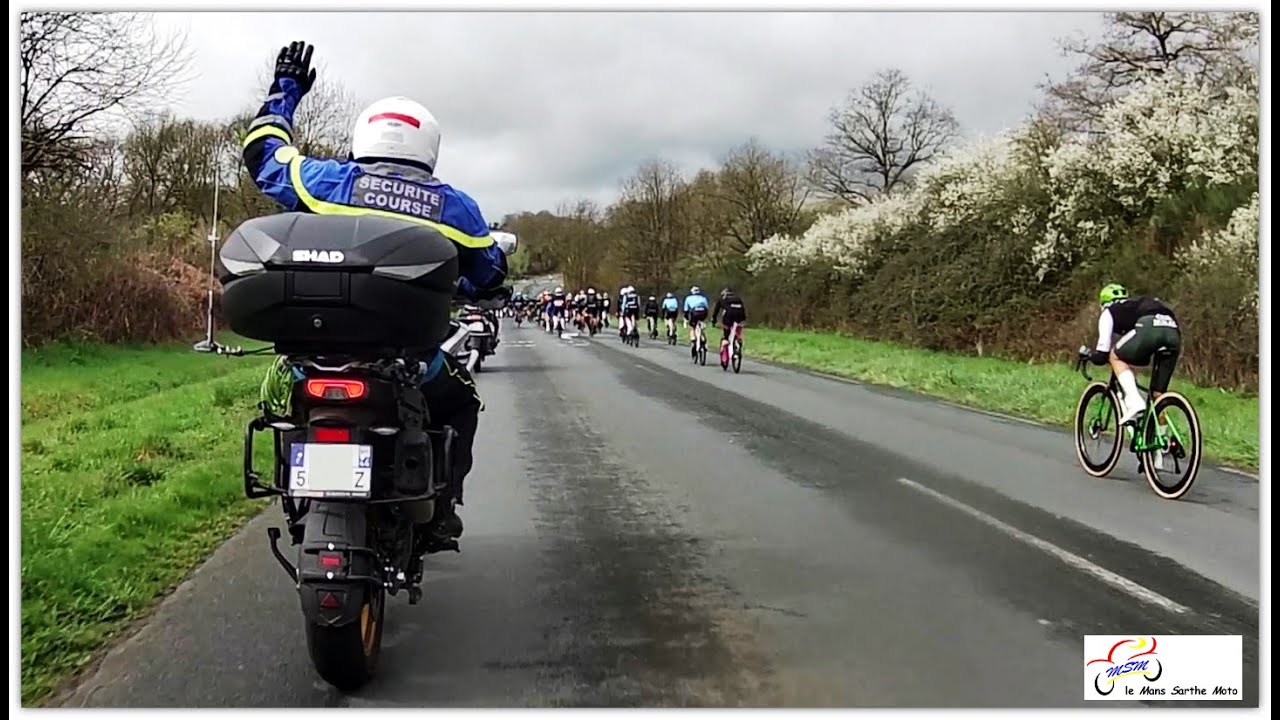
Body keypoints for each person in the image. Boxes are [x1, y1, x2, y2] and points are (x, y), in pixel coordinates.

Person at [243, 42, 509, 550]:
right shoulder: (456, 209)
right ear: (428, 147)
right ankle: (441, 512)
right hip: (409, 363)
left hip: (314, 358)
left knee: (278, 401)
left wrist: (286, 88)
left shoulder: (324, 181)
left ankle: (295, 490)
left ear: (363, 138)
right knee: (461, 406)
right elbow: (490, 274)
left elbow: (263, 155)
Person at [1084, 284, 1182, 426]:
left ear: (1103, 303)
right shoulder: (1134, 306)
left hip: (1150, 326)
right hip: (1173, 330)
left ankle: (1135, 401)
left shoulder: (1109, 312)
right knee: (1158, 396)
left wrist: (1089, 356)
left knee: (1114, 356)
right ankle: (1163, 442)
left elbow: (1102, 353)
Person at [683, 285, 710, 356]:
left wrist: (686, 318)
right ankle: (703, 338)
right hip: (703, 312)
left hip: (694, 312)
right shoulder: (703, 298)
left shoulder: (688, 298)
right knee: (701, 325)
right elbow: (707, 308)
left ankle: (694, 341)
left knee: (692, 327)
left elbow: (686, 310)